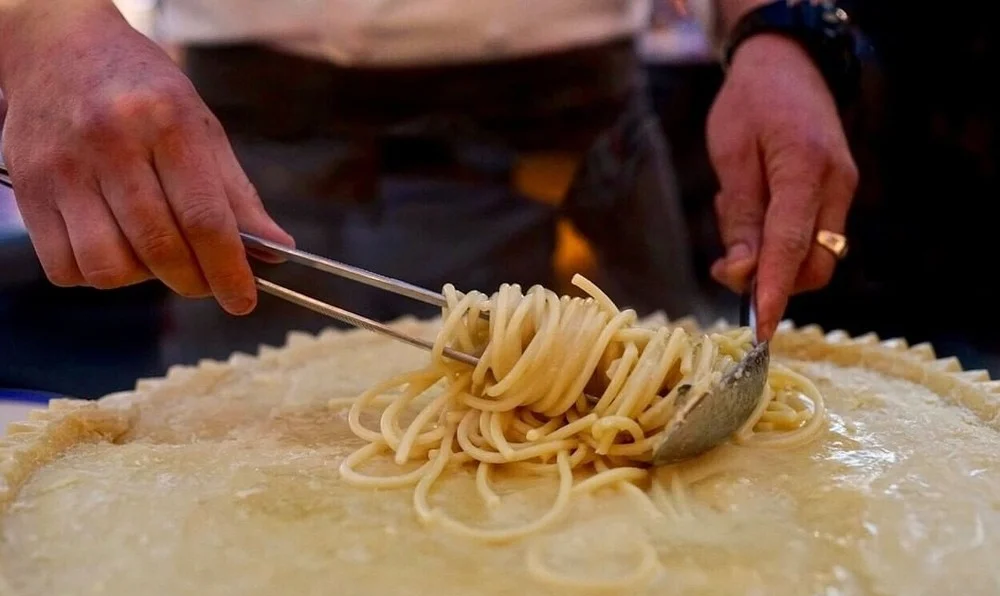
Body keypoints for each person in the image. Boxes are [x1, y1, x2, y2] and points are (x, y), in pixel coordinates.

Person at [0, 0, 858, 348]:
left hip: (577, 152)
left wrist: (774, 24)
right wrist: (45, 24)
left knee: (668, 531)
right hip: (255, 160)